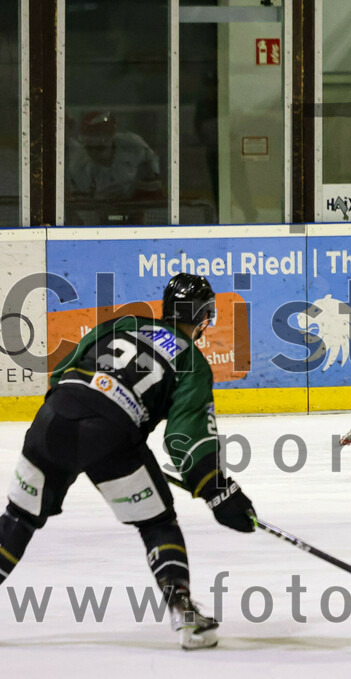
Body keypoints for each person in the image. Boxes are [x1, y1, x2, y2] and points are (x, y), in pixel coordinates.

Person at [0, 273, 255, 649]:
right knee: (158, 524)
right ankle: (184, 614)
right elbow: (185, 439)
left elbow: (60, 373)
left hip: (52, 419)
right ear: (203, 317)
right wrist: (217, 489)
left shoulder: (125, 323)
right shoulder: (192, 362)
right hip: (111, 435)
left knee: (19, 518)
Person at [66, 110, 164, 202]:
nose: (95, 153)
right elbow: (83, 210)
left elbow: (156, 185)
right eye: (90, 147)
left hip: (138, 207)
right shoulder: (79, 165)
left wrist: (138, 193)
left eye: (100, 146)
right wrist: (99, 203)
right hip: (99, 213)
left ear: (112, 136)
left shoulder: (134, 146)